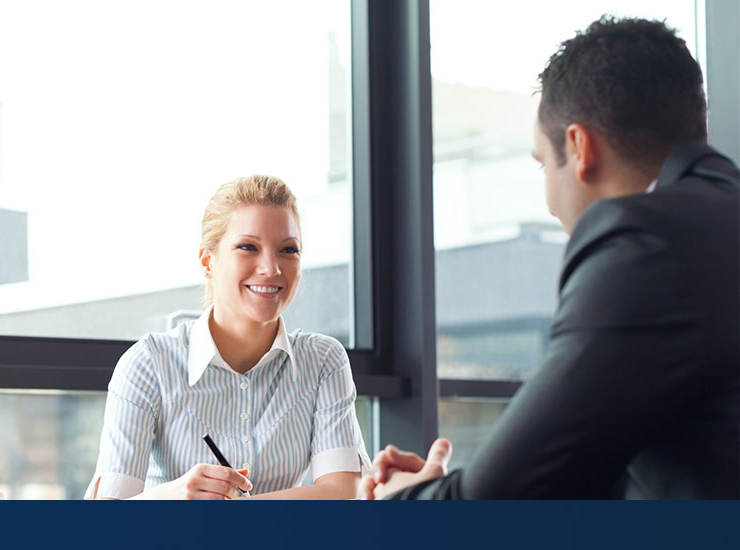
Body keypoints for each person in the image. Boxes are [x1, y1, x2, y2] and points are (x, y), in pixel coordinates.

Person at [362, 16, 739, 499]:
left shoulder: (644, 242)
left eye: (542, 163)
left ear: (580, 148)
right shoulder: (717, 221)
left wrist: (403, 501)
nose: (547, 197)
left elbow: (499, 502)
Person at [86, 175, 370, 500]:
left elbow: (343, 495)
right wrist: (174, 497)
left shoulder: (323, 361)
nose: (271, 268)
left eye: (288, 250)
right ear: (208, 261)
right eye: (248, 247)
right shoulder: (148, 364)